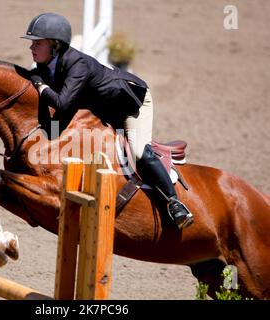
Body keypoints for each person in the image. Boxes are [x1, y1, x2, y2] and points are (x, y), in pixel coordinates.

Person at [21, 12, 194, 229]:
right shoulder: (48, 67)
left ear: (55, 45)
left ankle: (174, 203)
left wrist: (39, 85)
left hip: (132, 105)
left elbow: (62, 104)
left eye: (38, 43)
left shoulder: (77, 65)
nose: (31, 48)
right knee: (55, 133)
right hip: (105, 108)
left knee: (139, 151)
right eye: (32, 43)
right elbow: (56, 119)